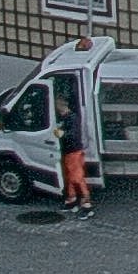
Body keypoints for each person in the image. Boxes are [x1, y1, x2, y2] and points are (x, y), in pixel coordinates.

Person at [57, 79, 95, 213]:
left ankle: (86, 204)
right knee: (70, 177)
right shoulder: (67, 118)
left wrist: (62, 134)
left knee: (76, 177)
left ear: (62, 104)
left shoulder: (71, 118)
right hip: (69, 151)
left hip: (73, 151)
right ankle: (71, 200)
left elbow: (73, 134)